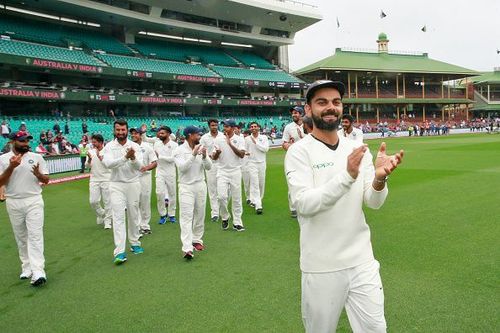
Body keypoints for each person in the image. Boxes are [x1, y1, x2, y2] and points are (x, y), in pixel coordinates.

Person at [284, 80, 404, 333]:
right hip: (322, 265)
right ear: (308, 109)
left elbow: (373, 202)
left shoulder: (356, 149)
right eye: (322, 102)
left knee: (376, 329)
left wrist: (380, 179)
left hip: (362, 260)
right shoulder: (298, 152)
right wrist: (347, 176)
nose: (331, 108)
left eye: (336, 102)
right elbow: (304, 204)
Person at [0, 131, 50, 286]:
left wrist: (38, 175)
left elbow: (46, 180)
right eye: (22, 141)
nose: (26, 144)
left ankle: (38, 271)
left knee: (35, 235)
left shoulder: (37, 157)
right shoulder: (2, 159)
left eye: (27, 141)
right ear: (13, 142)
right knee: (21, 237)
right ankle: (26, 267)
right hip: (14, 201)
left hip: (34, 199)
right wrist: (11, 167)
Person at [101, 119, 144, 265]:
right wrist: (125, 157)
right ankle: (119, 251)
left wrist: (132, 158)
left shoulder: (134, 146)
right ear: (114, 131)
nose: (120, 132)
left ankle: (135, 242)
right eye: (118, 130)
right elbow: (108, 164)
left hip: (133, 183)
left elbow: (140, 166)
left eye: (123, 130)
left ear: (127, 130)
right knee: (118, 216)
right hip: (116, 185)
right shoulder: (108, 146)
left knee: (133, 214)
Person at [173, 126, 212, 259]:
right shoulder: (178, 150)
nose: (199, 137)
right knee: (186, 217)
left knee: (200, 214)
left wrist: (205, 156)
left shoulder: (201, 148)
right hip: (186, 186)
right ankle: (187, 247)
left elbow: (209, 167)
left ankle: (197, 240)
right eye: (197, 134)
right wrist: (193, 154)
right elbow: (183, 168)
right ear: (190, 135)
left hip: (200, 184)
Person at [211, 119, 246, 231]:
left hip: (235, 171)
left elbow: (241, 155)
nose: (224, 128)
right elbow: (214, 158)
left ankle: (237, 222)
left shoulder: (239, 139)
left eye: (226, 126)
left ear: (233, 128)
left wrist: (230, 144)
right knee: (221, 197)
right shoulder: (218, 139)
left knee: (236, 198)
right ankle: (225, 216)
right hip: (222, 171)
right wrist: (217, 153)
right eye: (224, 126)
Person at [130, 127, 157, 235]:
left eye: (136, 133)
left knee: (145, 201)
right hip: (133, 177)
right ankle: (136, 226)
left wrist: (146, 168)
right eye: (132, 134)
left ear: (141, 135)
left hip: (145, 177)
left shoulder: (147, 147)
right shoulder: (129, 147)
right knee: (135, 202)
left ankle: (145, 225)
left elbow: (155, 162)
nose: (133, 136)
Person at [282, 106, 305, 218]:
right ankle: (293, 208)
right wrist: (292, 148)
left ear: (301, 114)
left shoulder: (308, 125)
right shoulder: (288, 127)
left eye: (296, 113)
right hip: (292, 159)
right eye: (293, 113)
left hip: (306, 158)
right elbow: (284, 143)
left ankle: (306, 205)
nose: (294, 115)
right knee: (292, 182)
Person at [200, 119, 224, 222]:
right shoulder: (204, 137)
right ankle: (215, 213)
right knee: (212, 190)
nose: (214, 127)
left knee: (223, 191)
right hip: (210, 165)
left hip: (222, 164)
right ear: (209, 126)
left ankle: (223, 210)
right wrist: (206, 155)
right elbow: (201, 149)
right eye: (212, 125)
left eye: (216, 125)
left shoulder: (223, 136)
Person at [86, 134, 112, 230]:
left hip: (106, 178)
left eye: (95, 142)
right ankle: (101, 213)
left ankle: (108, 221)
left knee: (107, 201)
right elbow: (87, 167)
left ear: (101, 142)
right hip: (94, 179)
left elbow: (109, 165)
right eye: (92, 142)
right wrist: (89, 159)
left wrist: (100, 157)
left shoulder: (108, 152)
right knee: (93, 201)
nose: (93, 143)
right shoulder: (90, 152)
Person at [153, 126, 178, 224]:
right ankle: (163, 215)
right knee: (159, 193)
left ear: (168, 134)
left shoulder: (174, 145)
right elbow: (154, 157)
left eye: (162, 133)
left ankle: (171, 214)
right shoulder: (157, 144)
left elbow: (172, 159)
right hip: (159, 172)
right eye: (159, 133)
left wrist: (160, 156)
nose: (160, 135)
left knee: (172, 194)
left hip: (170, 172)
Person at [245, 122, 269, 214]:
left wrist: (256, 143)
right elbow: (245, 150)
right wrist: (246, 153)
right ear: (250, 128)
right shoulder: (247, 139)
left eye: (255, 126)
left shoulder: (263, 138)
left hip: (262, 163)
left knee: (261, 183)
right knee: (254, 183)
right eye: (251, 127)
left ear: (258, 128)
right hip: (252, 163)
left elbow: (265, 149)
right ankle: (258, 205)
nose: (253, 128)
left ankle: (257, 199)